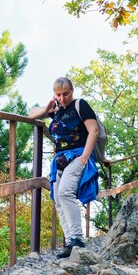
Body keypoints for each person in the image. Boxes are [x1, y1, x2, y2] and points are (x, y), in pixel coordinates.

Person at [29, 77, 99, 258]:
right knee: (58, 201)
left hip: (78, 155)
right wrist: (47, 110)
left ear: (72, 91)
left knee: (65, 192)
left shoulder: (80, 105)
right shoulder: (57, 110)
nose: (62, 98)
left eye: (65, 94)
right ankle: (70, 241)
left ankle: (77, 239)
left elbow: (94, 130)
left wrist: (84, 157)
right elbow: (31, 113)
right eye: (58, 95)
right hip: (60, 159)